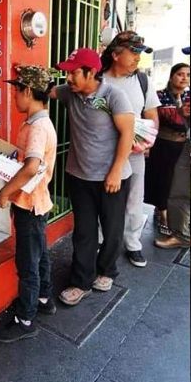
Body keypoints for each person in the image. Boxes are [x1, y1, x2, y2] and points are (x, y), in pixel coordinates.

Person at [50, 48, 134, 306]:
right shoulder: (69, 92)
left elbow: (127, 135)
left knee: (111, 230)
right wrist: (27, 76)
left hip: (113, 177)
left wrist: (116, 171)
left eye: (73, 73)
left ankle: (107, 270)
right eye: (66, 73)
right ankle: (81, 282)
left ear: (90, 72)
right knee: (84, 232)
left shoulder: (114, 96)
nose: (68, 79)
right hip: (80, 176)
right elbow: (47, 92)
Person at [0, 65, 58, 343]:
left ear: (28, 91)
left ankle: (26, 318)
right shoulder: (37, 123)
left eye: (16, 91)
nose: (14, 97)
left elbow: (31, 167)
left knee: (27, 262)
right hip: (37, 203)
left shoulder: (38, 127)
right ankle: (44, 299)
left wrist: (5, 192)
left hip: (29, 205)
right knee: (40, 254)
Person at [99, 31, 160, 268]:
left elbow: (151, 114)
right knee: (103, 197)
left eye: (140, 53)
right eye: (133, 53)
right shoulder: (99, 80)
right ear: (115, 55)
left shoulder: (142, 81)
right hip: (103, 152)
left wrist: (147, 141)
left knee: (135, 198)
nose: (137, 58)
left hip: (134, 153)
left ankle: (133, 242)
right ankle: (101, 240)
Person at [144, 62, 190, 248]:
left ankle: (178, 225)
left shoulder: (190, 96)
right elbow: (157, 118)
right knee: (162, 180)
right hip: (163, 145)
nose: (184, 77)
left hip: (183, 145)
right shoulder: (159, 95)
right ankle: (162, 212)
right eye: (180, 74)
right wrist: (179, 113)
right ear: (172, 76)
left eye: (187, 74)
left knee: (177, 185)